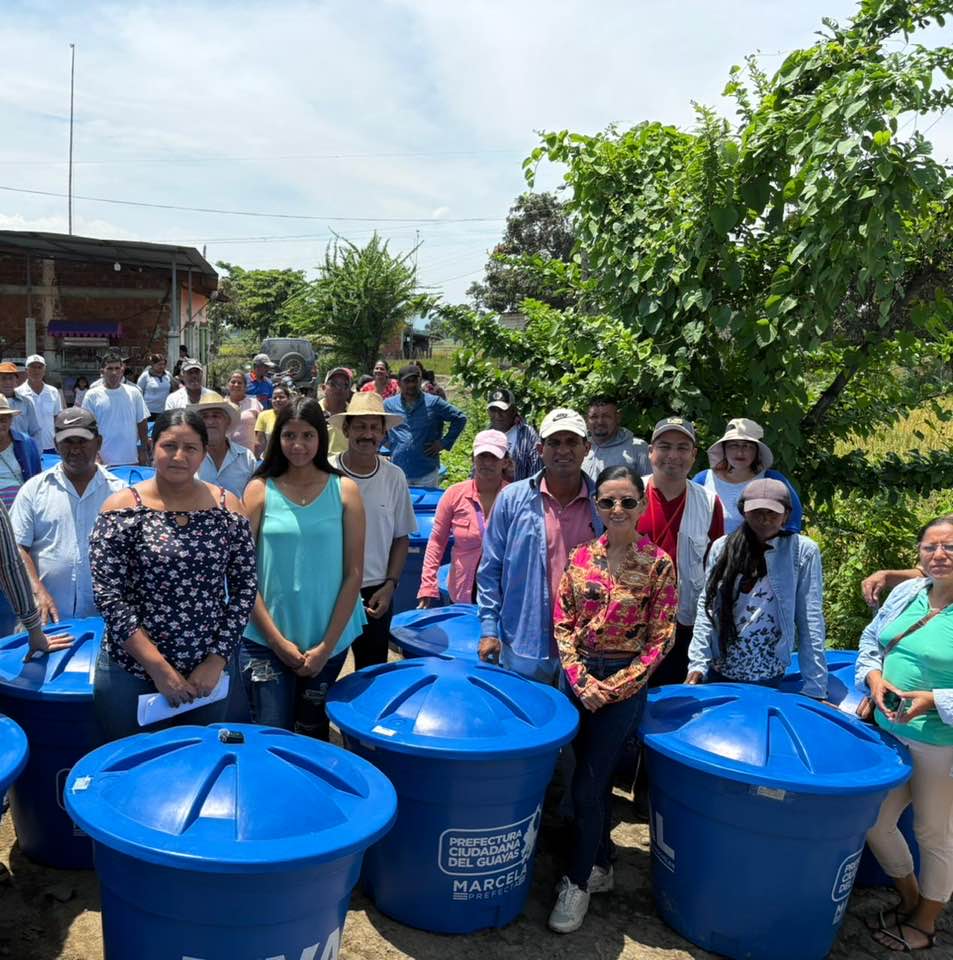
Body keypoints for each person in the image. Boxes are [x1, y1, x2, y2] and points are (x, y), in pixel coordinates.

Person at [548, 465, 677, 933]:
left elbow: (661, 637)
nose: (617, 509)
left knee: (590, 784)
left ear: (641, 505)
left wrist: (617, 686)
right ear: (597, 506)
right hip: (579, 678)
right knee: (584, 780)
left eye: (626, 501)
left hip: (624, 685)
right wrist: (581, 680)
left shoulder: (658, 564)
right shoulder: (581, 557)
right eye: (607, 501)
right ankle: (600, 863)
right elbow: (563, 621)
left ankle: (577, 881)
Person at [88, 409, 258, 743]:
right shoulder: (121, 509)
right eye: (169, 446)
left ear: (204, 453)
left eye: (190, 447)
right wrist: (158, 667)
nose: (179, 456)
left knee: (197, 762)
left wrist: (216, 660)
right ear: (152, 447)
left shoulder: (228, 509)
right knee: (133, 762)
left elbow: (245, 588)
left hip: (206, 675)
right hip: (132, 670)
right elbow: (108, 596)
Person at [240, 396, 366, 738]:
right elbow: (241, 574)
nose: (298, 445)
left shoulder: (345, 491)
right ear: (277, 438)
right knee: (270, 733)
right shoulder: (259, 490)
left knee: (312, 730)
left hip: (327, 635)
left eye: (307, 435)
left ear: (320, 438)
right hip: (265, 637)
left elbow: (354, 572)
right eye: (289, 435)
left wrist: (326, 647)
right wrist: (277, 642)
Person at [857, 514, 953, 953]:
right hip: (890, 735)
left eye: (949, 547)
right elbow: (871, 641)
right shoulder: (907, 593)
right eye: (930, 547)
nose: (939, 555)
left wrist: (934, 699)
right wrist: (874, 679)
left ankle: (927, 923)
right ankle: (911, 898)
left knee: (934, 834)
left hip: (940, 746)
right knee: (874, 822)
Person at [478, 408, 601, 683]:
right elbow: (490, 569)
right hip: (523, 642)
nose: (563, 450)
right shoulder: (511, 499)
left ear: (587, 448)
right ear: (540, 449)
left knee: (577, 712)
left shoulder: (602, 504)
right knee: (525, 709)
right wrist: (489, 629)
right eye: (554, 442)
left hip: (586, 646)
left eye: (572, 441)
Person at [686, 478, 827, 697]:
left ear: (786, 514)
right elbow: (709, 608)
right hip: (720, 667)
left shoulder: (802, 552)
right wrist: (697, 664)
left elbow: (810, 618)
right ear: (743, 511)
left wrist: (815, 686)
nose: (764, 519)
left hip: (767, 672)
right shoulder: (723, 547)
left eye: (772, 513)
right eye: (756, 512)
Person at [11, 408, 124, 623]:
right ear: (55, 444)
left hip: (106, 620)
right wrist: (37, 590)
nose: (75, 449)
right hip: (47, 620)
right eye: (67, 442)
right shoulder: (34, 490)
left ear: (98, 443)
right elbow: (17, 546)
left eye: (82, 441)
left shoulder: (120, 494)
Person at [330, 393, 417, 669]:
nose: (367, 435)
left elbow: (401, 537)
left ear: (383, 433)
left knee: (371, 672)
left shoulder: (394, 476)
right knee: (320, 674)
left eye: (374, 428)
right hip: (329, 589)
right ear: (346, 430)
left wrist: (390, 585)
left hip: (375, 593)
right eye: (360, 427)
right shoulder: (326, 472)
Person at [637, 417, 724, 686]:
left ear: (694, 454)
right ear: (650, 451)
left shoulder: (709, 502)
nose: (673, 455)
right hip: (633, 624)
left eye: (682, 448)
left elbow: (715, 571)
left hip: (685, 624)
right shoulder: (628, 494)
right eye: (664, 446)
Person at [418, 430, 509, 607]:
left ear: (505, 462)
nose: (487, 463)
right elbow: (437, 541)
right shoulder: (454, 494)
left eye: (494, 457)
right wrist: (428, 584)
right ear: (473, 459)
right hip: (462, 591)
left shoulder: (515, 497)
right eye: (482, 456)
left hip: (503, 594)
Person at [692, 418, 802, 534]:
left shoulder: (772, 479)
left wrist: (782, 541)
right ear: (724, 449)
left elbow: (793, 521)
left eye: (747, 446)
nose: (740, 452)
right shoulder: (703, 479)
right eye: (733, 445)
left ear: (757, 451)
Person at [384, 365, 467, 487]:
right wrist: (386, 446)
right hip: (398, 469)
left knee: (427, 500)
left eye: (414, 380)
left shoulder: (434, 403)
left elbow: (460, 418)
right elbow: (377, 425)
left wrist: (443, 443)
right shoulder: (389, 405)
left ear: (420, 381)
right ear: (399, 383)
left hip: (426, 471)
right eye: (407, 381)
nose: (411, 385)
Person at [81, 352, 150, 467]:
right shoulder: (92, 395)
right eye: (110, 369)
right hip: (102, 461)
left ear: (122, 371)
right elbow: (87, 427)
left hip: (130, 458)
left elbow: (142, 423)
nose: (114, 372)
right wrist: (95, 454)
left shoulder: (134, 393)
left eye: (117, 368)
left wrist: (143, 450)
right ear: (102, 371)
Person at [192, 393, 257, 498]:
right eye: (204, 417)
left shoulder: (246, 457)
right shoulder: (189, 456)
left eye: (216, 415)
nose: (210, 421)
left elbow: (253, 497)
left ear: (227, 421)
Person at [581, 397, 650, 482]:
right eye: (594, 417)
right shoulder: (579, 447)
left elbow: (649, 484)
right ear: (586, 420)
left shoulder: (638, 448)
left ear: (618, 418)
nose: (600, 422)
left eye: (606, 416)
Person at [486, 388, 543, 482]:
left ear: (513, 410)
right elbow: (475, 471)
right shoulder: (485, 436)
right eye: (493, 410)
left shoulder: (527, 434)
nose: (497, 415)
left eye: (502, 410)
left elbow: (536, 472)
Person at [0, 395, 40, 508]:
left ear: (10, 420)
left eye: (3, 420)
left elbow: (37, 478)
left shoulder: (26, 443)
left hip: (22, 509)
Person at [17, 354, 63, 453]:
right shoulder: (18, 393)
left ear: (44, 370)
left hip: (51, 445)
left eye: (40, 367)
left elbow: (57, 418)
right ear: (26, 370)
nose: (36, 371)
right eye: (33, 367)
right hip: (27, 446)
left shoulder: (53, 392)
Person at [0, 361, 41, 447]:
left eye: (11, 378)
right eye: (3, 378)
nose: (7, 382)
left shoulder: (26, 402)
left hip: (23, 449)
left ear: (16, 381)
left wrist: (35, 452)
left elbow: (35, 431)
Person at [224, 370, 263, 451]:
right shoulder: (221, 405)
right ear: (228, 385)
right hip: (227, 452)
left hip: (249, 453)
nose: (236, 385)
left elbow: (262, 426)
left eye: (240, 383)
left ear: (245, 386)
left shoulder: (254, 403)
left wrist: (258, 444)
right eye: (233, 382)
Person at [319, 367, 353, 457]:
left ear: (349, 391)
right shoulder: (313, 411)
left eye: (345, 385)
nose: (339, 388)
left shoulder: (354, 414)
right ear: (323, 388)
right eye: (333, 384)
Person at [254, 382, 292, 457]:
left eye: (281, 397)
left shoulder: (295, 415)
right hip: (269, 459)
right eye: (274, 398)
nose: (277, 400)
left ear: (289, 399)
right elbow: (259, 443)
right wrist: (255, 460)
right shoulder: (263, 415)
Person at [136, 353, 172, 420]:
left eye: (163, 364)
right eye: (159, 364)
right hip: (149, 411)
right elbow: (138, 392)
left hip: (164, 410)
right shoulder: (145, 376)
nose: (162, 366)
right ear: (152, 364)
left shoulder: (168, 375)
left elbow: (173, 388)